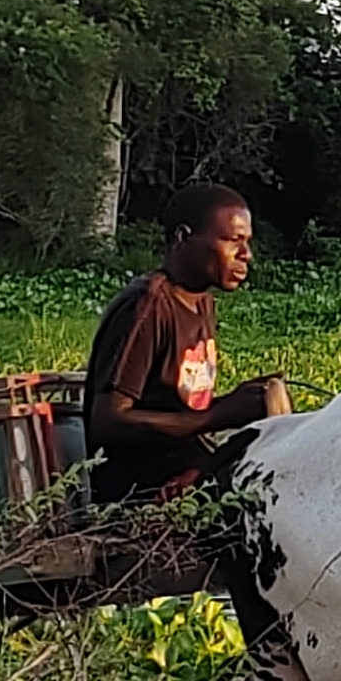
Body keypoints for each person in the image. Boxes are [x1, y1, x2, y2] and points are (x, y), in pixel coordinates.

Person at [82, 182, 294, 507]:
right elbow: (107, 422)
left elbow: (177, 409)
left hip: (189, 469)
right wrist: (218, 415)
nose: (246, 255)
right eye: (232, 240)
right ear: (183, 238)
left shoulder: (201, 302)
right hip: (139, 491)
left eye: (247, 243)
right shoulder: (149, 306)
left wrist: (241, 402)